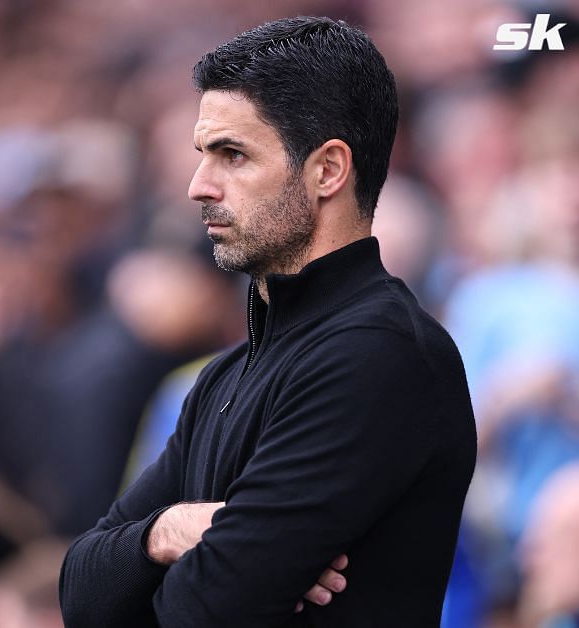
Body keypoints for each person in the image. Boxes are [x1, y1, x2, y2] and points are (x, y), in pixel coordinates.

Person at [58, 17, 477, 627]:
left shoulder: (379, 355)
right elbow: (81, 596)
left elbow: (203, 612)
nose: (199, 185)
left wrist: (163, 567)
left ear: (328, 170)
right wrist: (167, 531)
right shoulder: (225, 374)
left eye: (233, 155)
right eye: (203, 155)